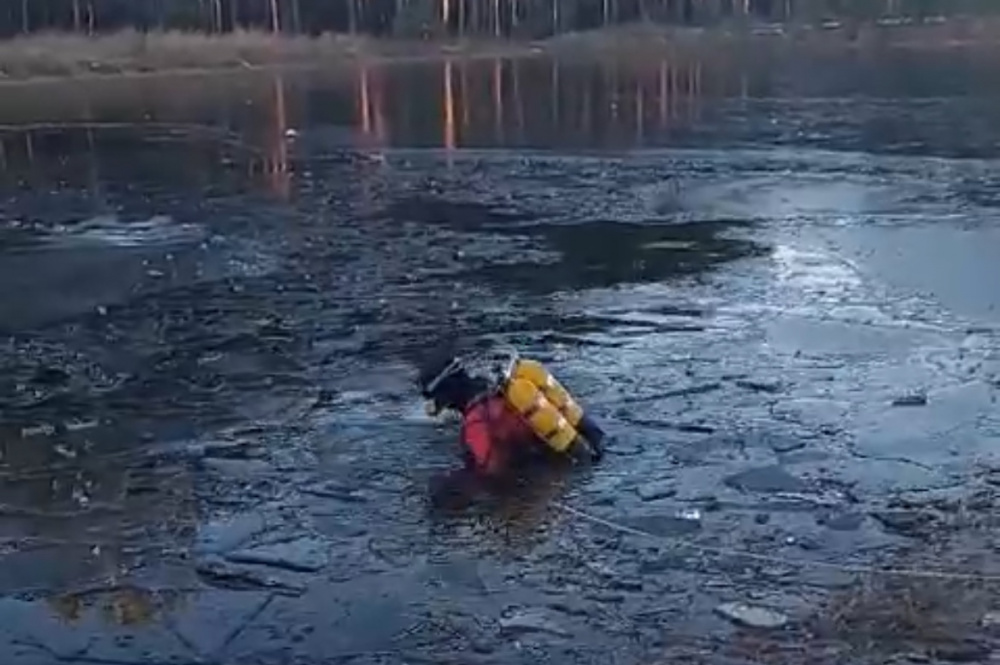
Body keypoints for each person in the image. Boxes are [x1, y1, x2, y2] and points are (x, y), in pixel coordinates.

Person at [417, 349, 604, 507]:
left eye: (439, 400)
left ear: (447, 392)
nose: (445, 407)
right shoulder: (502, 388)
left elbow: (493, 475)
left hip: (552, 483)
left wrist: (451, 483)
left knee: (440, 491)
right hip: (576, 455)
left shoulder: (477, 423)